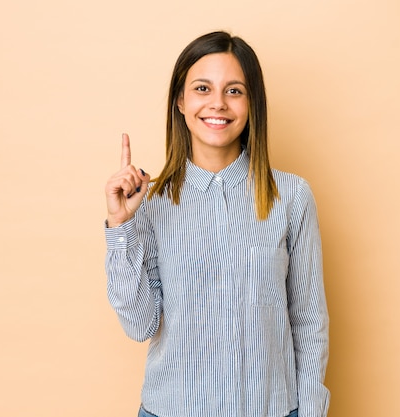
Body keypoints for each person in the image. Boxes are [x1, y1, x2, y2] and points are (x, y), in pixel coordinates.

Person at [104, 31, 329, 417]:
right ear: (180, 100)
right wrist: (120, 225)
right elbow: (140, 324)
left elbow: (309, 322)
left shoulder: (291, 197)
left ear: (251, 102)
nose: (218, 104)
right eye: (203, 88)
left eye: (235, 91)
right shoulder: (149, 203)